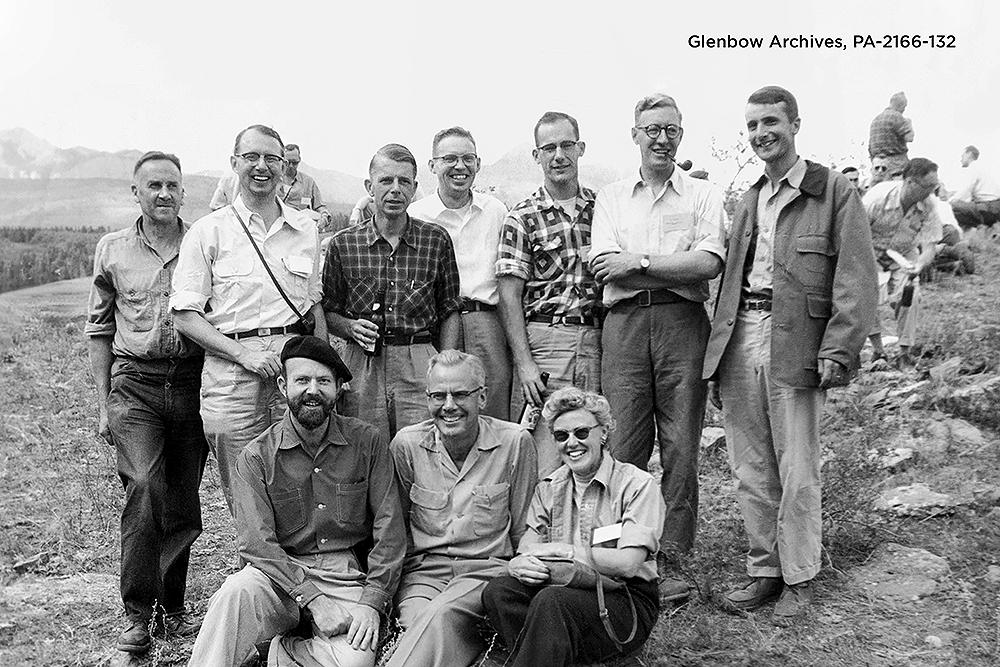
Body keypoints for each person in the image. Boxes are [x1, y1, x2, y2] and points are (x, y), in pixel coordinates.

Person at [703, 86, 878, 626]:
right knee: (750, 466)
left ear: (795, 125)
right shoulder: (749, 197)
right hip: (741, 337)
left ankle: (800, 576)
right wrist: (716, 358)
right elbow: (730, 282)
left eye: (771, 122)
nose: (762, 133)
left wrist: (839, 346)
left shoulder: (833, 190)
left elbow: (856, 275)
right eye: (753, 125)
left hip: (796, 340)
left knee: (797, 466)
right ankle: (766, 571)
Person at [187, 336, 405, 667]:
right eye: (302, 380)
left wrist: (373, 601)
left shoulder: (368, 443)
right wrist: (313, 600)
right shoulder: (257, 457)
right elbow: (257, 544)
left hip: (343, 574)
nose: (312, 390)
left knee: (354, 662)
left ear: (339, 388)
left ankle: (277, 654)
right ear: (282, 385)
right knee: (235, 592)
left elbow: (390, 529)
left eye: (323, 382)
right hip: (279, 574)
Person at [588, 93, 726, 600]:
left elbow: (708, 263)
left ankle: (673, 558)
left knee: (681, 445)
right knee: (622, 444)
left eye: (670, 130)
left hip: (682, 324)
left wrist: (640, 262)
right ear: (635, 135)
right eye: (652, 129)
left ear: (680, 135)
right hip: (624, 325)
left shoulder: (703, 195)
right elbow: (606, 266)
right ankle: (620, 557)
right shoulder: (611, 197)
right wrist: (666, 265)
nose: (661, 139)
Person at [171, 124, 328, 514]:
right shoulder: (209, 231)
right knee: (244, 487)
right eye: (251, 157)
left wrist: (321, 367)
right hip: (231, 374)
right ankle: (253, 555)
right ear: (234, 163)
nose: (262, 166)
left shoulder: (305, 229)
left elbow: (313, 305)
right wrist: (243, 355)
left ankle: (298, 554)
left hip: (293, 368)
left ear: (284, 166)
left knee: (301, 480)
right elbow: (185, 316)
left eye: (272, 158)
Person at [86, 151, 207, 654]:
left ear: (183, 192)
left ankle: (171, 608)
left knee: (182, 499)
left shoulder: (202, 243)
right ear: (135, 192)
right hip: (135, 384)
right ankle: (138, 614)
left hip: (192, 384)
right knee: (143, 485)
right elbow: (99, 329)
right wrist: (103, 404)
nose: (164, 193)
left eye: (172, 185)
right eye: (154, 185)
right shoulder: (112, 250)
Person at [482, 387, 664, 666]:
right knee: (500, 592)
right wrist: (518, 563)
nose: (572, 443)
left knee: (552, 601)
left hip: (623, 597)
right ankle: (558, 658)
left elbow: (628, 564)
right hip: (563, 588)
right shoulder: (548, 488)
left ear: (603, 433)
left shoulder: (636, 485)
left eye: (581, 432)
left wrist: (566, 551)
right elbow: (528, 546)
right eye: (561, 436)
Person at [384, 350, 537, 667]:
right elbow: (396, 530)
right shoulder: (406, 445)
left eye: (460, 394)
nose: (449, 405)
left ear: (482, 397)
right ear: (427, 399)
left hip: (485, 571)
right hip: (425, 573)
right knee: (414, 621)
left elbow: (524, 526)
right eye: (438, 396)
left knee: (440, 615)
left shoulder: (515, 442)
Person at [323, 144, 462, 442]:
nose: (395, 189)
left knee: (422, 447)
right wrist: (349, 327)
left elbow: (449, 309)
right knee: (363, 448)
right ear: (369, 187)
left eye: (404, 182)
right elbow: (328, 310)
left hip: (418, 358)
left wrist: (445, 366)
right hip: (362, 362)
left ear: (414, 188)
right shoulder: (343, 244)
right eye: (386, 180)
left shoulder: (435, 240)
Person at [496, 111, 602, 476]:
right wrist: (525, 364)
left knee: (593, 448)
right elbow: (509, 296)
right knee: (544, 456)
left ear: (580, 148)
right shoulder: (522, 217)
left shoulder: (603, 209)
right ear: (536, 155)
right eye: (549, 148)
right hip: (546, 344)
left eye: (566, 145)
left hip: (597, 341)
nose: (559, 155)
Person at [409, 128, 513, 419]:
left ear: (478, 163)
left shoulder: (495, 211)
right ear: (433, 165)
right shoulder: (416, 215)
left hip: (487, 322)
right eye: (450, 159)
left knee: (492, 405)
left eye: (468, 159)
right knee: (441, 407)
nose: (460, 166)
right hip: (437, 324)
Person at [863, 157, 945, 364]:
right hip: (869, 250)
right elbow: (855, 233)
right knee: (865, 295)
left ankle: (904, 353)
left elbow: (929, 246)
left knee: (911, 294)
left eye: (934, 186)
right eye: (928, 186)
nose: (932, 191)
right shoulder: (877, 198)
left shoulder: (930, 205)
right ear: (910, 182)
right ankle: (878, 350)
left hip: (904, 254)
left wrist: (920, 265)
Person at [281, 143, 334, 230]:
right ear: (282, 160)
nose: (291, 166)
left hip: (300, 229)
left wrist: (324, 217)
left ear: (299, 160)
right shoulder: (273, 179)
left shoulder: (308, 182)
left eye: (294, 163)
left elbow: (320, 206)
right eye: (288, 162)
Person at [949, 145, 1000, 229]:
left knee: (953, 207)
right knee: (962, 205)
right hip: (994, 205)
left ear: (969, 154)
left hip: (990, 207)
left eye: (962, 156)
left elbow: (966, 190)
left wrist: (950, 201)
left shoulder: (973, 168)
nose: (961, 159)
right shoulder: (981, 167)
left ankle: (980, 227)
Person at [868, 92, 913, 185]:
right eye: (904, 107)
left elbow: (870, 147)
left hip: (878, 164)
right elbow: (909, 138)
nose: (904, 110)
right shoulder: (897, 116)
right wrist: (909, 124)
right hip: (896, 165)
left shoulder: (876, 119)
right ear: (901, 105)